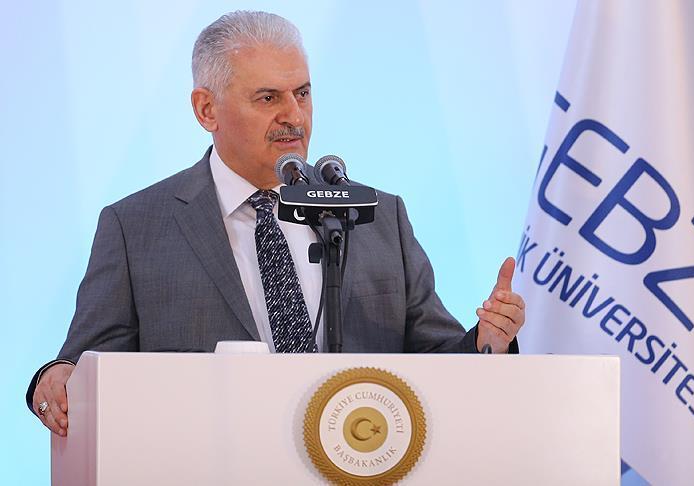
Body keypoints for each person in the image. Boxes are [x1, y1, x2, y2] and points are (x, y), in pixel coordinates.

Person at [27, 10, 526, 437]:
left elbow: (439, 360)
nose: (295, 116)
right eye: (268, 98)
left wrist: (490, 340)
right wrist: (57, 376)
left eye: (302, 93)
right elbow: (84, 368)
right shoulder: (135, 227)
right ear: (206, 109)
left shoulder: (378, 216)